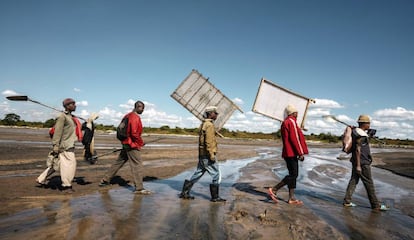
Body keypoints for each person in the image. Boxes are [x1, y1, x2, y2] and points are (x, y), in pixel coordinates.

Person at [99, 100, 152, 195]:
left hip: (125, 143)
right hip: (131, 144)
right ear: (136, 107)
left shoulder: (127, 115)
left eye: (143, 108)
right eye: (141, 107)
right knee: (137, 165)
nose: (142, 110)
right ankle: (139, 188)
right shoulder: (134, 117)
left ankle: (105, 180)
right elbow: (134, 133)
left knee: (119, 162)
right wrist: (140, 143)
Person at [179, 106, 226, 202]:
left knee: (199, 173)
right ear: (211, 114)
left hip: (202, 154)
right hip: (207, 155)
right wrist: (211, 155)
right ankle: (215, 197)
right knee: (216, 174)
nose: (217, 115)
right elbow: (208, 142)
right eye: (215, 113)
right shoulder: (209, 125)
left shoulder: (204, 124)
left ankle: (185, 192)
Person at [343, 115, 389, 211]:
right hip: (362, 162)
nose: (369, 125)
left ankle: (347, 201)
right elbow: (357, 150)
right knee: (369, 183)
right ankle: (375, 205)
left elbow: (370, 134)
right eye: (368, 123)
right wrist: (359, 166)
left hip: (356, 161)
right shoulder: (360, 135)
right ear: (365, 124)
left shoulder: (357, 132)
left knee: (353, 181)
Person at [268, 104, 308, 205]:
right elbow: (294, 139)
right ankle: (274, 189)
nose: (298, 114)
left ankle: (291, 198)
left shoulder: (286, 122)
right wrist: (300, 153)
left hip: (288, 152)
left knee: (293, 175)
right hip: (291, 152)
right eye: (297, 112)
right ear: (293, 113)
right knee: (294, 175)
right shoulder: (291, 122)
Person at [51, 98, 82, 193]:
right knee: (69, 166)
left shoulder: (71, 118)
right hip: (64, 145)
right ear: (67, 106)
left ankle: (41, 179)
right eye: (73, 104)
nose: (75, 106)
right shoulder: (62, 117)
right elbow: (57, 132)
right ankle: (66, 186)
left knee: (58, 163)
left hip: (70, 144)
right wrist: (56, 145)